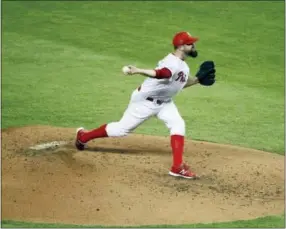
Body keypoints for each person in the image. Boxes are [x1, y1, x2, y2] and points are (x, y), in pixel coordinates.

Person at [75, 31, 216, 179]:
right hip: (144, 102)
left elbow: (178, 84)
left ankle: (177, 167)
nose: (193, 45)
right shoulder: (171, 63)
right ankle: (83, 136)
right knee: (121, 130)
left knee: (178, 124)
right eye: (190, 43)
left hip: (165, 103)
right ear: (181, 47)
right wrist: (138, 70)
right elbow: (162, 73)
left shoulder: (183, 66)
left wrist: (197, 81)